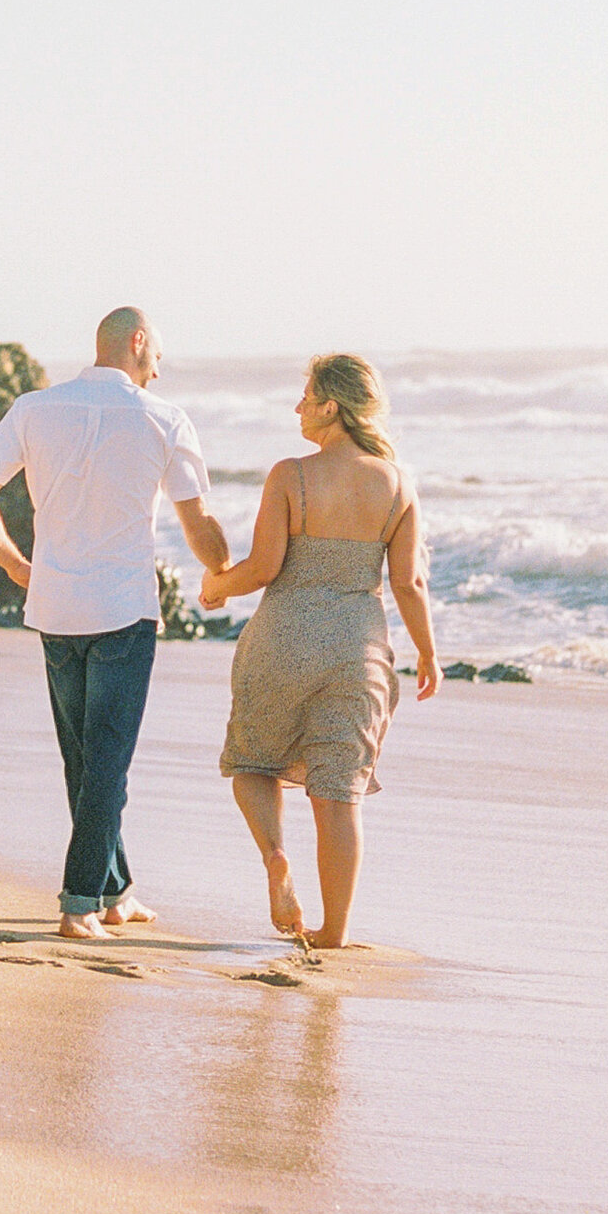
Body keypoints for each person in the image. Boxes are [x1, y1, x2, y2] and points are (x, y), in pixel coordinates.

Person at [0, 306, 229, 940]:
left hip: (54, 609)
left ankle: (115, 890)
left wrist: (16, 565)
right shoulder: (164, 419)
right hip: (122, 612)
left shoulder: (33, 409)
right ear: (136, 342)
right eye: (157, 352)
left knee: (85, 759)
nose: (159, 367)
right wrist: (227, 571)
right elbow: (198, 525)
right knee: (105, 762)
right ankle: (79, 902)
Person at [199, 352, 437, 950]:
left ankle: (277, 858)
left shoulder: (291, 475)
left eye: (306, 397)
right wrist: (428, 654)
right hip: (357, 650)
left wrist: (216, 586)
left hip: (283, 639)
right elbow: (409, 584)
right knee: (339, 794)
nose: (298, 407)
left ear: (331, 406)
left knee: (252, 762)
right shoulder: (398, 482)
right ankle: (333, 933)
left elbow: (263, 567)